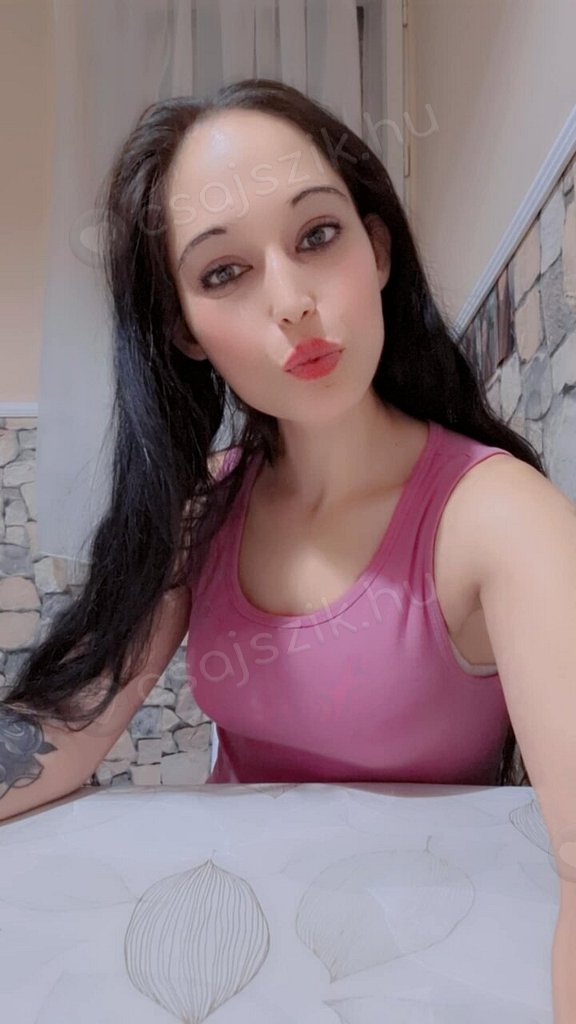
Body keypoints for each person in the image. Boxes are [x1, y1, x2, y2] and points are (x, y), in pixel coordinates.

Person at [0, 75, 553, 820]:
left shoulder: (501, 518)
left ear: (377, 251)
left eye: (317, 236)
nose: (292, 302)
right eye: (225, 272)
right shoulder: (200, 512)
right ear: (185, 331)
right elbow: (64, 729)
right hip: (226, 889)